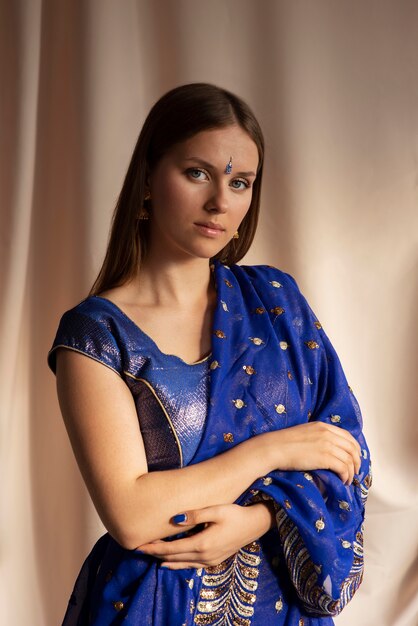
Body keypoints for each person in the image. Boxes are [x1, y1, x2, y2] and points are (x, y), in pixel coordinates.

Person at [48, 83, 371, 626]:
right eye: (198, 172)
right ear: (148, 181)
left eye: (240, 182)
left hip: (281, 602)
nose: (221, 201)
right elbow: (131, 514)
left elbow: (343, 453)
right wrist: (274, 451)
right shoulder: (96, 334)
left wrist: (263, 519)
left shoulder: (276, 302)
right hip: (153, 605)